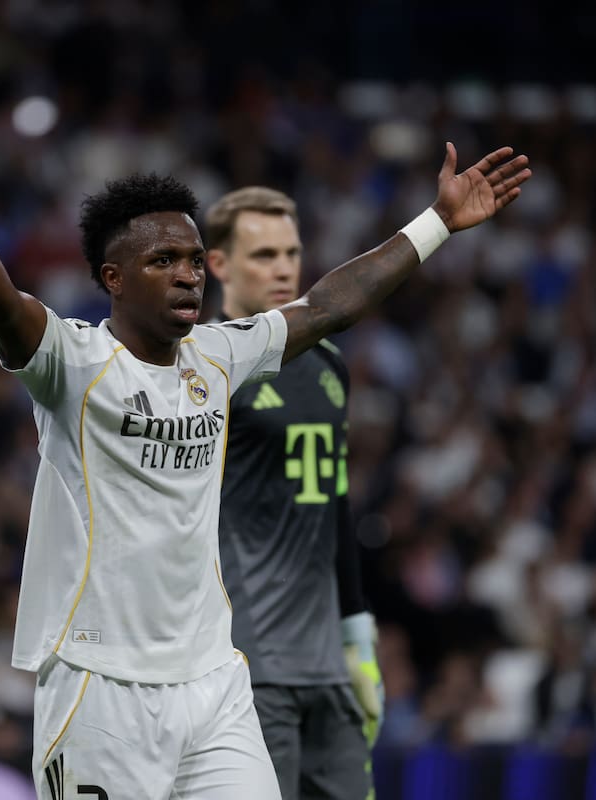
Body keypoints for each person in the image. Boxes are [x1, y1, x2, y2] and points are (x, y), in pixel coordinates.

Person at [0, 130, 530, 799]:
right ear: (114, 278)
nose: (189, 273)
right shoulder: (73, 366)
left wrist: (439, 223)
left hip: (213, 684)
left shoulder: (219, 355)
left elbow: (332, 304)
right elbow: (7, 310)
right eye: (164, 260)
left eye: (194, 258)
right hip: (100, 688)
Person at [205, 186, 379, 799]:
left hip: (329, 665)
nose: (283, 268)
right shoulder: (206, 368)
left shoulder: (330, 364)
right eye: (264, 255)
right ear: (219, 264)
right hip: (248, 666)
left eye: (292, 252)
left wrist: (358, 636)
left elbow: (335, 502)